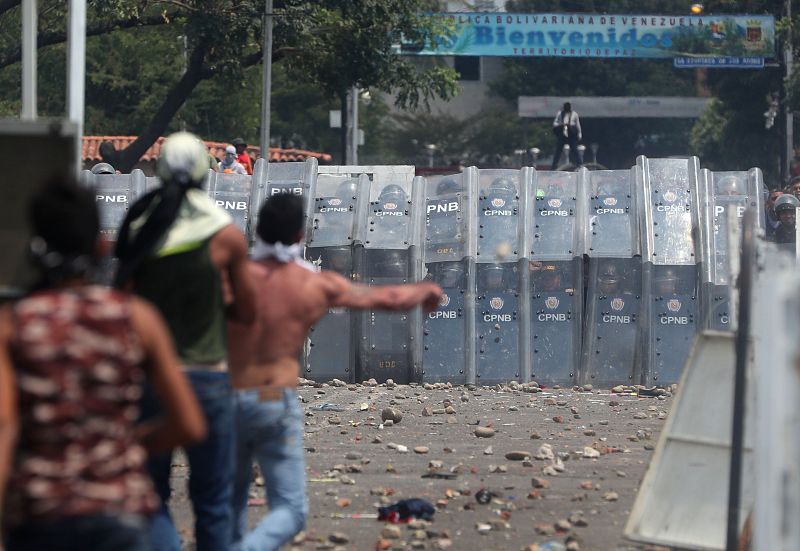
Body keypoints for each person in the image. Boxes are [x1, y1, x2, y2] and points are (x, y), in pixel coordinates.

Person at [0, 177, 206, 551]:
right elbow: (189, 424)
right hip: (119, 512)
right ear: (100, 245)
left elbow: (4, 426)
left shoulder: (14, 325)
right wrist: (126, 445)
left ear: (35, 248)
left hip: (39, 517)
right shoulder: (136, 319)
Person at [226, 194, 442, 551]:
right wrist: (425, 289)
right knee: (290, 510)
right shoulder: (312, 283)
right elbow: (385, 299)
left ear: (257, 229)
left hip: (228, 398)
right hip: (272, 399)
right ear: (300, 235)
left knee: (231, 500)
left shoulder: (232, 279)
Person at [114, 132, 257, 551]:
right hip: (208, 380)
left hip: (152, 382)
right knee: (213, 501)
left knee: (151, 498)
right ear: (204, 173)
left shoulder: (141, 227)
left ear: (159, 170)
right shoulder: (225, 235)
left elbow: (123, 303)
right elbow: (247, 313)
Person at [551, 102, 582, 169]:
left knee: (574, 149)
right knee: (558, 151)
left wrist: (579, 134)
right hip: (562, 133)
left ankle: (579, 164)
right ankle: (554, 166)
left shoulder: (574, 114)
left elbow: (578, 125)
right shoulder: (560, 114)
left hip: (571, 133)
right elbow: (555, 123)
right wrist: (561, 124)